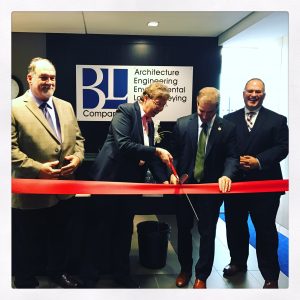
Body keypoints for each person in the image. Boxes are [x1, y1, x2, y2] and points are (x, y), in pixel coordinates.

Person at [80, 82, 172, 288]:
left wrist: (164, 180)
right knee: (100, 230)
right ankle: (89, 277)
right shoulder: (125, 111)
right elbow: (123, 144)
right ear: (145, 97)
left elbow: (148, 155)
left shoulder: (150, 123)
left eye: (164, 105)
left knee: (123, 231)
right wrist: (156, 152)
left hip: (130, 186)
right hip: (108, 182)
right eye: (158, 102)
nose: (160, 108)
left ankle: (121, 274)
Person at [11, 57, 85, 288]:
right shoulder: (12, 108)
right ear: (30, 78)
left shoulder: (66, 106)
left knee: (60, 237)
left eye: (52, 77)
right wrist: (37, 168)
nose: (49, 82)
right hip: (31, 192)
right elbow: (8, 150)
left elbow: (79, 140)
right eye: (44, 77)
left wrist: (78, 158)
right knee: (28, 240)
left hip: (64, 189)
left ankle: (58, 272)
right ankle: (24, 279)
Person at [222, 78, 289, 288]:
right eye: (250, 91)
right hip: (236, 184)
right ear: (243, 94)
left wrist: (259, 161)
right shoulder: (228, 119)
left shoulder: (277, 120)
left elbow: (282, 148)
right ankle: (237, 263)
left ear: (264, 95)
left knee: (265, 230)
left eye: (258, 91)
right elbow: (224, 148)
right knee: (235, 227)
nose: (253, 95)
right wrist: (236, 162)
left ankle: (270, 275)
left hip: (265, 186)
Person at [170, 87, 238, 289]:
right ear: (196, 104)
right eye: (202, 111)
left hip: (210, 190)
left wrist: (227, 174)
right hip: (185, 188)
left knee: (207, 233)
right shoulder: (182, 124)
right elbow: (173, 154)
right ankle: (185, 270)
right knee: (183, 230)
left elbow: (232, 156)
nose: (205, 116)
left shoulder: (227, 128)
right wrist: (172, 174)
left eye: (210, 112)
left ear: (216, 107)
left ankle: (202, 275)